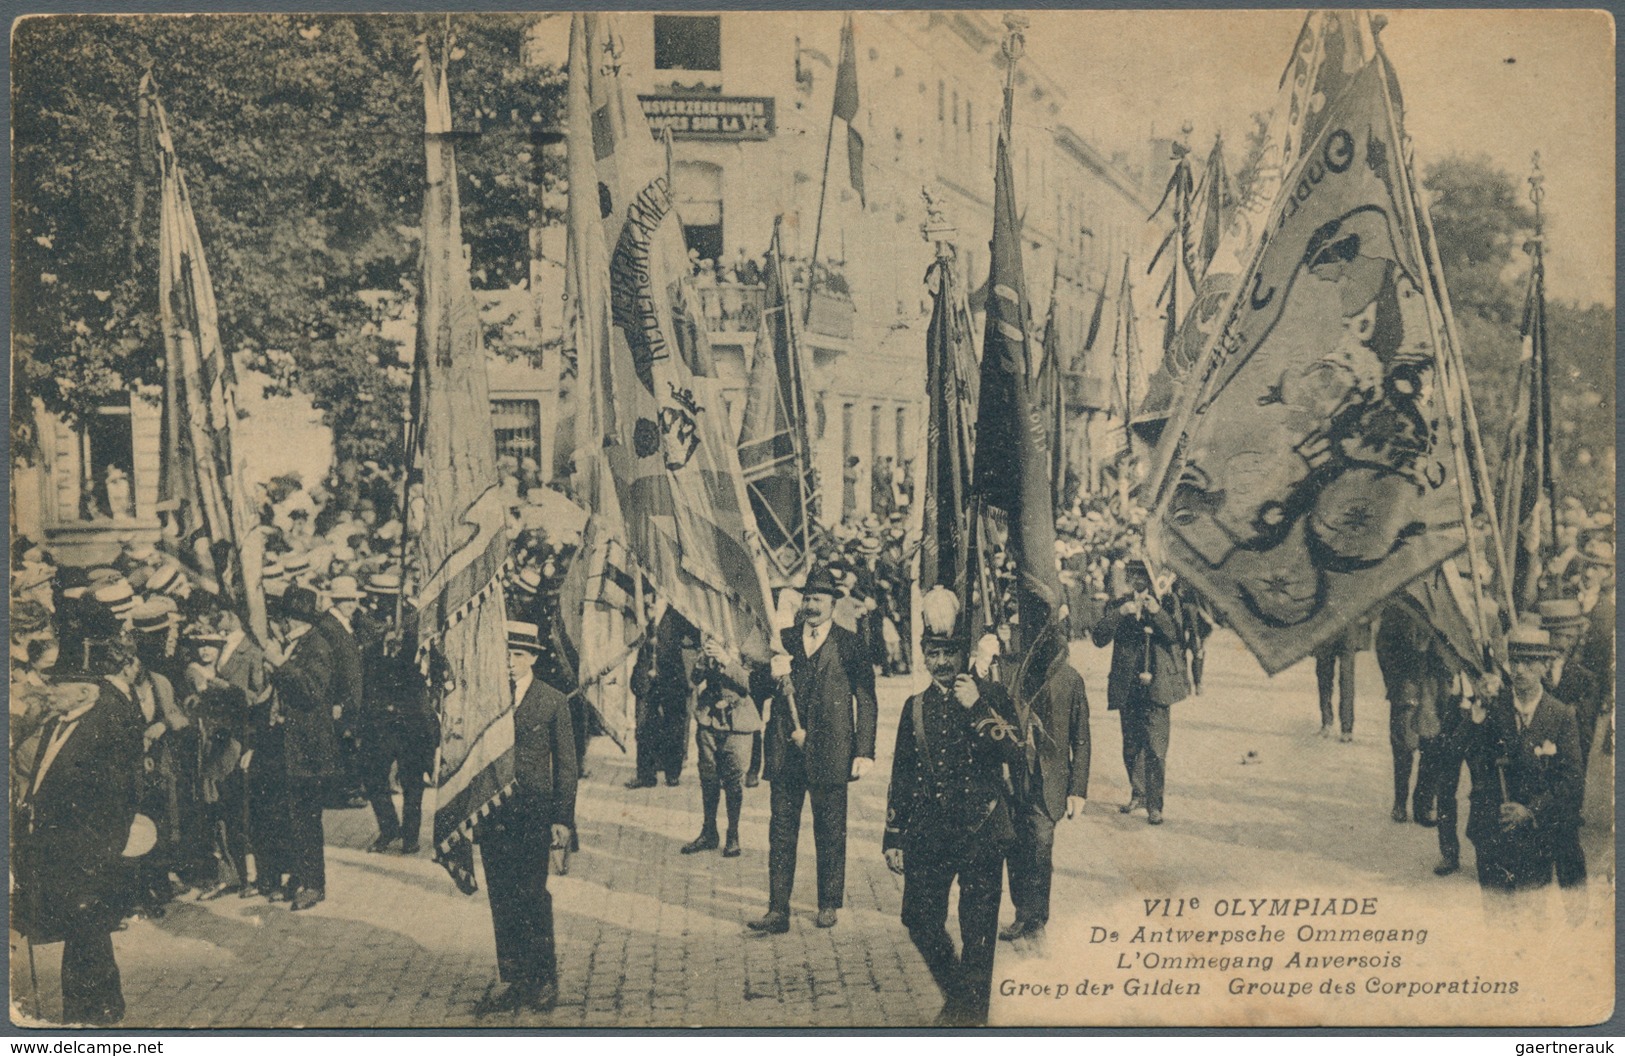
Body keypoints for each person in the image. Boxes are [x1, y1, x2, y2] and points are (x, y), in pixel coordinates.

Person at [883, 587, 1022, 1026]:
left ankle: (969, 1017)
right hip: (929, 830)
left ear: (962, 653)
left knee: (978, 930)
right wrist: (894, 835)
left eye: (948, 654)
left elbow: (1018, 753)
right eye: (932, 653)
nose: (941, 663)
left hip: (982, 827)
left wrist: (978, 708)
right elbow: (902, 774)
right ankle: (962, 996)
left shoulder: (991, 696)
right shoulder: (915, 707)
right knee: (918, 919)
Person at [749, 568, 877, 933]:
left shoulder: (850, 644)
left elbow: (866, 699)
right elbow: (756, 691)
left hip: (832, 751)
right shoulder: (782, 640)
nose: (811, 606)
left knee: (830, 830)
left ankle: (827, 902)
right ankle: (777, 909)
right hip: (787, 751)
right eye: (807, 599)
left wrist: (864, 750)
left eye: (818, 600)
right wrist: (768, 673)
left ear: (833, 605)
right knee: (781, 831)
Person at [14, 660, 142, 1024]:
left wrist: (101, 850)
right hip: (55, 845)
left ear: (85, 691)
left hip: (87, 848)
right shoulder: (56, 723)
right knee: (82, 928)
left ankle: (98, 1010)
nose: (50, 690)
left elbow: (119, 797)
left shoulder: (104, 729)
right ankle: (89, 1008)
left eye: (58, 684)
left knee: (88, 926)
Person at [473, 621, 578, 1016]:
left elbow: (566, 766)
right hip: (493, 814)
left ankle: (544, 978)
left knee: (533, 894)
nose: (510, 662)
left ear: (533, 657)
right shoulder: (486, 698)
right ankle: (514, 978)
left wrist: (562, 818)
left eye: (518, 654)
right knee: (501, 895)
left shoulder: (551, 700)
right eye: (505, 654)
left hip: (534, 814)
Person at [1448, 623, 1583, 917]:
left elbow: (1571, 780)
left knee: (1532, 921)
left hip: (1536, 837)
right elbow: (1456, 751)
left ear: (1545, 666)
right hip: (1492, 834)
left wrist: (1531, 810)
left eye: (1529, 663)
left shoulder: (1560, 716)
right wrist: (1477, 711)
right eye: (1515, 662)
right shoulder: (1495, 706)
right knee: (1496, 921)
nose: (1520, 670)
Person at [1001, 654, 1090, 943]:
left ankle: (1037, 920)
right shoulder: (1009, 672)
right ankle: (1021, 914)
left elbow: (1081, 738)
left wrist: (1077, 789)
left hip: (1048, 783)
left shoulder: (1070, 678)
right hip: (1014, 779)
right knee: (1015, 849)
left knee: (1040, 849)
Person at [1091, 559, 1188, 825]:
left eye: (1142, 576)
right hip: (1128, 685)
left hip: (1157, 685)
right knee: (1131, 744)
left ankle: (1155, 805)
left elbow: (1176, 636)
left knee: (1156, 748)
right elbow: (1098, 638)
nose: (1137, 581)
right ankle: (1138, 793)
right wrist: (1120, 612)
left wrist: (1157, 613)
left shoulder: (1167, 603)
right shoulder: (1118, 604)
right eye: (1133, 576)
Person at [269, 587, 343, 911]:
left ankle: (313, 883)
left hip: (309, 751)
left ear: (292, 619)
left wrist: (279, 664)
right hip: (295, 748)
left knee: (306, 818)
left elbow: (312, 690)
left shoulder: (316, 647)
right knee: (293, 816)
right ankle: (299, 876)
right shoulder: (301, 644)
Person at [357, 575, 433, 855]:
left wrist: (407, 645)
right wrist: (380, 643)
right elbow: (364, 663)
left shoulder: (415, 623)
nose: (379, 603)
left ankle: (411, 835)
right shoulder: (367, 623)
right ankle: (389, 828)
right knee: (374, 776)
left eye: (385, 597)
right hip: (379, 717)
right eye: (376, 596)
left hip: (409, 716)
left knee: (412, 779)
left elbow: (424, 665)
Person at [683, 635, 766, 858]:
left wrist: (727, 660)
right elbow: (695, 679)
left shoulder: (749, 640)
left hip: (738, 720)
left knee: (733, 779)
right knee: (708, 776)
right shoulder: (710, 637)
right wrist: (701, 661)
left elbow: (752, 684)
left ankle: (733, 834)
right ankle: (709, 831)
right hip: (709, 718)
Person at [1374, 604, 1447, 824]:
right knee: (1403, 746)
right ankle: (1400, 802)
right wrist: (1395, 681)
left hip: (1435, 688)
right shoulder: (1398, 607)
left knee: (1433, 746)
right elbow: (1384, 648)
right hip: (1406, 686)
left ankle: (1424, 805)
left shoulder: (1443, 605)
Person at [627, 606, 697, 788]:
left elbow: (694, 638)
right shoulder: (642, 599)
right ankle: (646, 775)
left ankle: (672, 773)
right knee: (643, 725)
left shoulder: (679, 604)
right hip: (646, 676)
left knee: (674, 725)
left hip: (672, 675)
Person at [1313, 629, 1358, 742]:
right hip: (1331, 631)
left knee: (1343, 679)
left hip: (1336, 630)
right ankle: (1338, 727)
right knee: (1327, 678)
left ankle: (1341, 727)